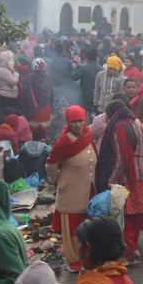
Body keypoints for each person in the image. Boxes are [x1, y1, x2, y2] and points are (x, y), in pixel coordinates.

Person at [94, 99, 143, 264]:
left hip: (126, 177)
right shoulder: (140, 125)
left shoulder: (118, 129)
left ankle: (131, 249)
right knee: (138, 214)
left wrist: (111, 180)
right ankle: (132, 249)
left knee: (123, 215)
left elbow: (120, 159)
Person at [45, 106, 97, 273]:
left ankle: (86, 258)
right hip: (70, 194)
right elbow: (50, 165)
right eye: (73, 122)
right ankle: (73, 260)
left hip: (89, 191)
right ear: (68, 123)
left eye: (80, 121)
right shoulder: (63, 143)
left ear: (85, 121)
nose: (77, 125)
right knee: (72, 231)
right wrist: (60, 182)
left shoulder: (89, 137)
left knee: (87, 229)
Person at [21, 58, 54, 140]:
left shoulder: (29, 78)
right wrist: (51, 104)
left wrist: (26, 109)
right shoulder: (48, 77)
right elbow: (52, 92)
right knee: (45, 128)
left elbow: (27, 95)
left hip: (34, 108)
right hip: (46, 106)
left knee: (34, 128)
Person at [0, 49, 20, 124]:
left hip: (10, 95)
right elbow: (13, 81)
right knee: (8, 116)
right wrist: (16, 74)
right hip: (6, 96)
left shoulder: (5, 69)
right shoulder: (3, 70)